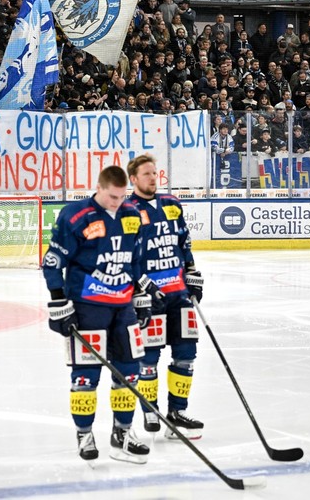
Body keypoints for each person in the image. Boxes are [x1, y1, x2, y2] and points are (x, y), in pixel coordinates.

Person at [42, 165, 151, 464]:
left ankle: (123, 433)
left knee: (129, 372)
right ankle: (84, 434)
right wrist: (58, 300)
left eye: (122, 196)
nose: (118, 202)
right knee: (86, 376)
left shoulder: (131, 215)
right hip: (88, 305)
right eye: (112, 196)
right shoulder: (75, 216)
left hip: (123, 305)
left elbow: (136, 260)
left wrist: (140, 294)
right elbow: (52, 262)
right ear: (100, 188)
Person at [127, 155, 205, 440]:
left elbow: (183, 241)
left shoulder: (171, 204)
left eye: (154, 173)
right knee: (149, 357)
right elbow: (126, 257)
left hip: (178, 294)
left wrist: (192, 271)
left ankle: (176, 411)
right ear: (133, 179)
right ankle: (151, 409)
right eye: (146, 174)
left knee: (186, 355)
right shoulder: (127, 210)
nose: (153, 177)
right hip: (150, 298)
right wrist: (140, 289)